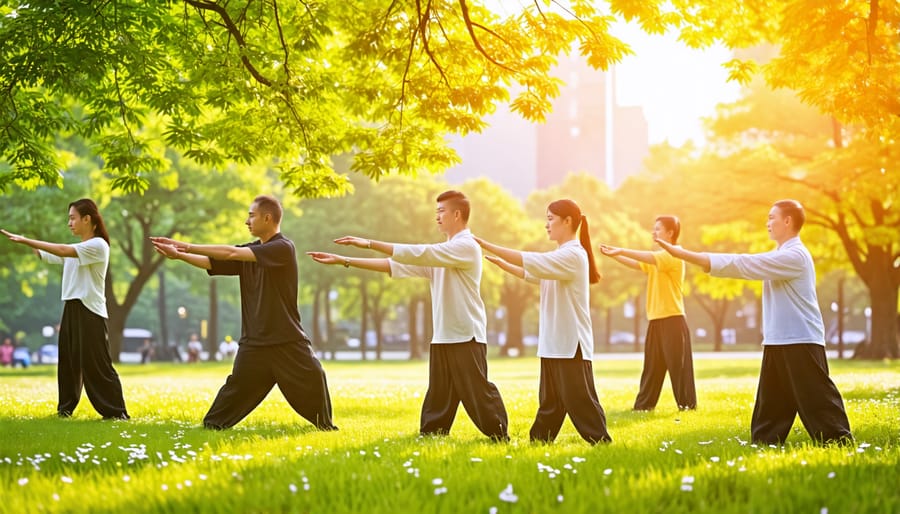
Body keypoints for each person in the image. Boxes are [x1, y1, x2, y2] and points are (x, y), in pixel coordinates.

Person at [307, 190, 509, 441]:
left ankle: (500, 433)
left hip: (466, 334)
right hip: (444, 335)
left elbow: (420, 253)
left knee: (477, 390)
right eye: (436, 212)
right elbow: (396, 266)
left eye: (441, 211)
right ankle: (432, 433)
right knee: (440, 392)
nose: (437, 217)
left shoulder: (466, 247)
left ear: (457, 214)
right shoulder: (445, 251)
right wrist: (344, 260)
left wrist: (370, 243)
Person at [655, 199, 852, 445]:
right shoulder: (780, 254)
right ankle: (765, 442)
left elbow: (743, 264)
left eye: (772, 217)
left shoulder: (795, 256)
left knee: (817, 398)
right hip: (778, 340)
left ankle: (838, 441)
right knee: (772, 401)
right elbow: (747, 264)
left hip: (801, 340)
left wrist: (684, 254)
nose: (767, 222)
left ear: (788, 221)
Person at [150, 195, 337, 431]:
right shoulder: (250, 252)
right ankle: (213, 426)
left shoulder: (282, 248)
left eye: (251, 215)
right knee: (237, 387)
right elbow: (212, 262)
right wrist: (179, 255)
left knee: (313, 377)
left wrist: (184, 245)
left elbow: (229, 253)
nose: (247, 221)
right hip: (255, 342)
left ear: (267, 218)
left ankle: (326, 427)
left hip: (286, 338)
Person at [476, 199, 612, 445]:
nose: (546, 225)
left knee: (580, 400)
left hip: (571, 344)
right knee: (551, 401)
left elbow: (530, 260)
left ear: (567, 221)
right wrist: (504, 265)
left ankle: (602, 442)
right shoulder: (561, 255)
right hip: (554, 343)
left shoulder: (573, 255)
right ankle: (539, 441)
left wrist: (488, 245)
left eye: (550, 219)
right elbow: (535, 274)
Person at [1, 198, 130, 420]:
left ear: (87, 219)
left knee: (97, 364)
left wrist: (27, 239)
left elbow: (61, 250)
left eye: (73, 218)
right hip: (71, 307)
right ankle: (65, 409)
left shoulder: (98, 246)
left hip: (90, 311)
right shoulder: (77, 249)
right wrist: (27, 242)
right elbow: (50, 254)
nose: (69, 223)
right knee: (69, 362)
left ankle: (116, 412)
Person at [599, 215, 697, 411]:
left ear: (670, 233)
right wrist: (615, 255)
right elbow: (638, 264)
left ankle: (687, 405)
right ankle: (644, 406)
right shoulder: (659, 257)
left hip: (673, 320)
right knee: (652, 367)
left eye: (658, 229)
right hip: (655, 320)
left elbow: (647, 257)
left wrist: (621, 249)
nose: (654, 232)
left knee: (679, 367)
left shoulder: (673, 255)